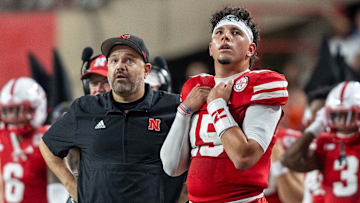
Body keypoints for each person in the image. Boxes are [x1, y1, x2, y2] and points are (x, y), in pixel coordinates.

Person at [161, 6, 288, 202]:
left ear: (250, 49)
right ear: (211, 48)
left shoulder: (261, 84)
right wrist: (184, 111)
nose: (225, 37)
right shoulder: (196, 87)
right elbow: (171, 167)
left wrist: (217, 106)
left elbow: (244, 157)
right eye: (219, 33)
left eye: (235, 33)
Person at [39, 34, 184, 202]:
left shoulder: (174, 106)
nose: (120, 66)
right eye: (114, 61)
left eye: (129, 60)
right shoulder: (84, 108)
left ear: (146, 71)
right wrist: (74, 189)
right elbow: (48, 145)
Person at [282, 81, 360, 202]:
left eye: (348, 115)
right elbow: (289, 160)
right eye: (336, 115)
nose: (341, 121)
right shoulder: (325, 141)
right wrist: (317, 127)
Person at [0, 77, 68, 203]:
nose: (12, 118)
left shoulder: (49, 137)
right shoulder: (3, 135)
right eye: (8, 111)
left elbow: (60, 191)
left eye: (18, 111)